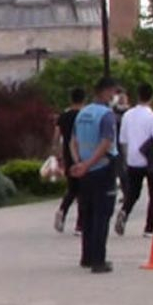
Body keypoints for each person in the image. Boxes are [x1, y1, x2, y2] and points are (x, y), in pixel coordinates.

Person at [70, 76, 120, 274]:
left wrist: (79, 163)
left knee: (88, 213)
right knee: (102, 215)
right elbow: (106, 143)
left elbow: (72, 141)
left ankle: (87, 256)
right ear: (106, 92)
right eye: (113, 92)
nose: (114, 96)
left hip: (85, 171)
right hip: (103, 167)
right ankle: (99, 260)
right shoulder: (106, 115)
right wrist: (90, 163)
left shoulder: (82, 113)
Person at [116, 83, 153, 237]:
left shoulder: (128, 115)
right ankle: (148, 228)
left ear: (138, 95)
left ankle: (124, 211)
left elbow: (122, 140)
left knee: (133, 193)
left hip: (132, 160)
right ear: (151, 97)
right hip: (150, 161)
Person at [54, 88, 86, 235]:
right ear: (84, 99)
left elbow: (56, 137)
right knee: (83, 192)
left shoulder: (64, 116)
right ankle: (80, 225)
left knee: (72, 188)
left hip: (68, 154)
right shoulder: (84, 116)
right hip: (82, 155)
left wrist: (58, 154)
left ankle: (62, 210)